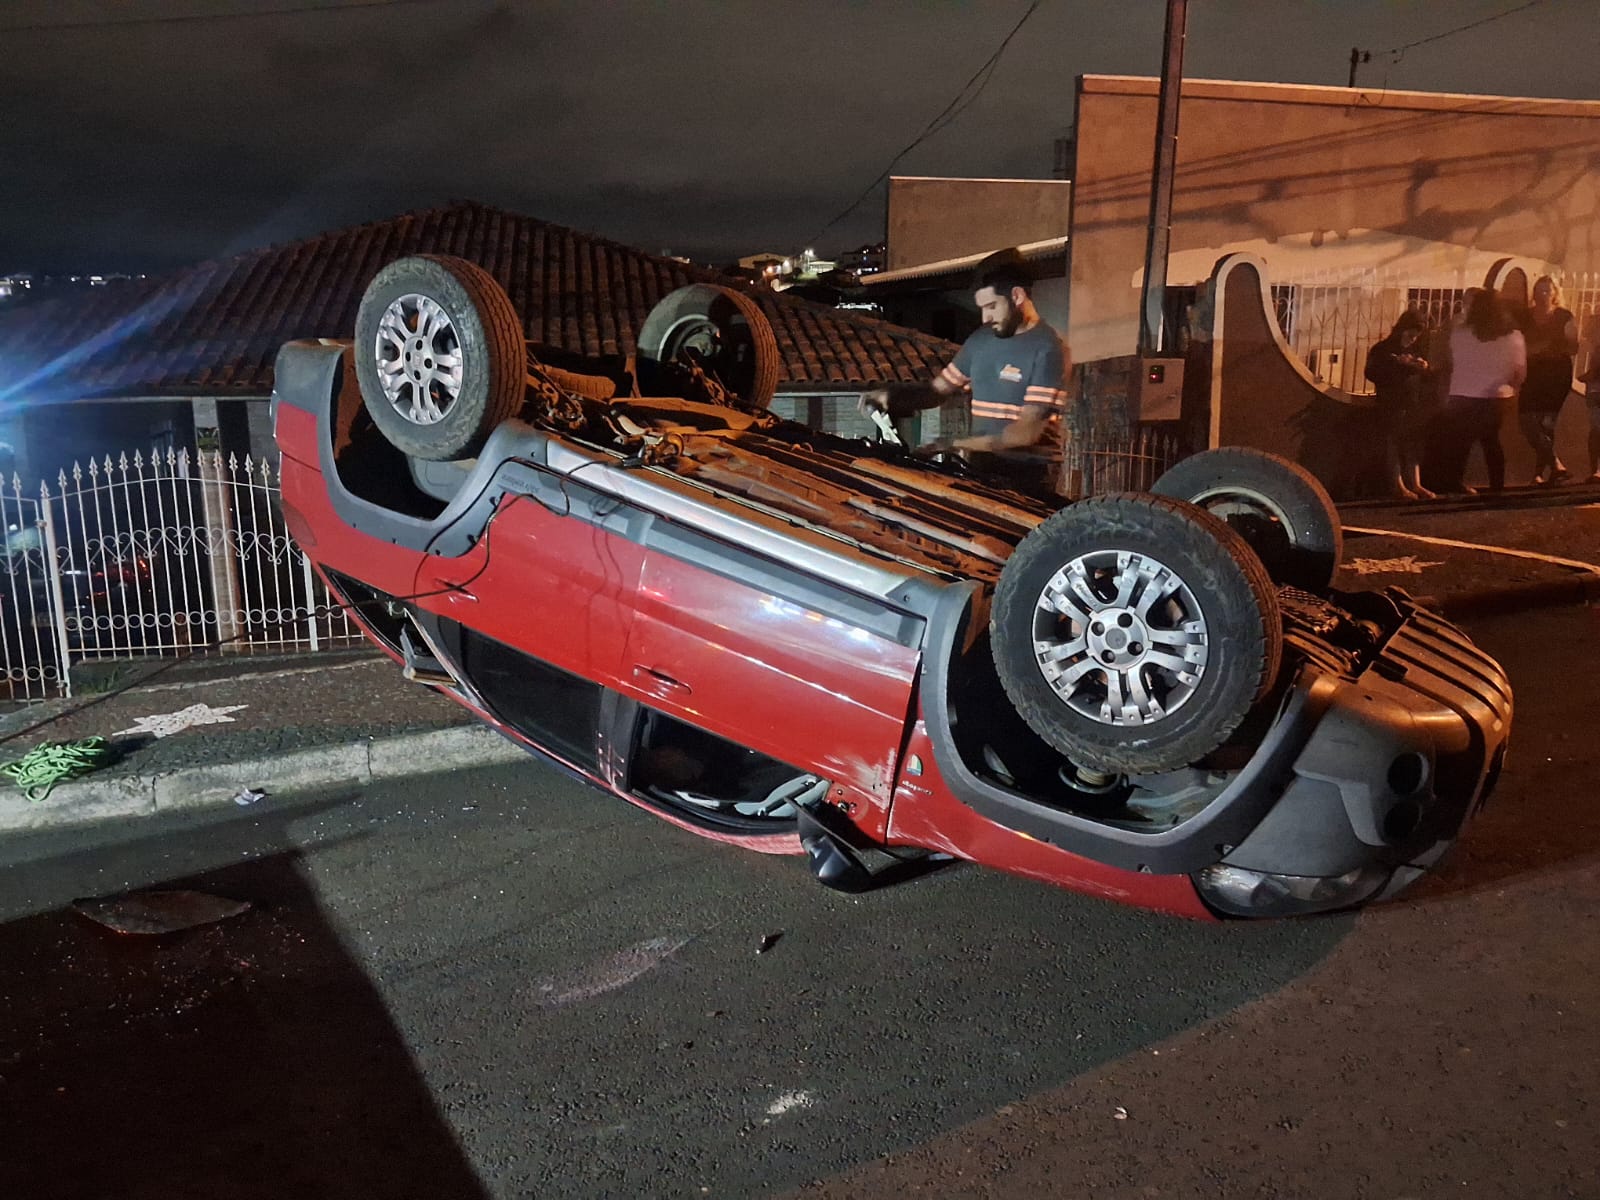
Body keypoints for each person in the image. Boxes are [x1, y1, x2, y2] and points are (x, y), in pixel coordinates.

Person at [859, 248, 1070, 496]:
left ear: (1017, 295)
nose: (985, 317)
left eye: (991, 306)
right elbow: (937, 392)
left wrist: (950, 444)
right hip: (980, 468)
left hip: (1028, 478)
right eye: (981, 308)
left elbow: (1023, 435)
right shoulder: (980, 341)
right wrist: (890, 396)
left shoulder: (1049, 350)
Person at [1439, 289, 1525, 495]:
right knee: (1491, 441)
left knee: (1461, 442)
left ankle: (1455, 481)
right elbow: (1519, 370)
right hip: (1496, 396)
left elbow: (1452, 360)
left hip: (1463, 394)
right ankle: (1497, 486)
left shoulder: (1461, 333)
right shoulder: (1513, 337)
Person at [1363, 309, 1435, 499]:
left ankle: (1416, 484)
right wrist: (1398, 364)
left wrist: (1424, 368)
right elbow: (1371, 373)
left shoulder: (1417, 350)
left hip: (1412, 402)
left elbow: (1429, 377)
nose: (1413, 339)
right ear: (1402, 329)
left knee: (1413, 444)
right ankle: (1399, 486)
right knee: (1393, 444)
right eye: (1411, 334)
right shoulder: (1384, 349)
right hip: (1391, 403)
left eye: (1417, 336)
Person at [1517, 275, 1580, 484]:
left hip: (1556, 374)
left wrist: (1552, 347)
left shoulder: (1563, 316)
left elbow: (1574, 347)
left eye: (1547, 290)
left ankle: (1541, 472)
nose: (1542, 294)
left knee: (1546, 425)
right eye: (1539, 290)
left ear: (1555, 293)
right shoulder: (1525, 316)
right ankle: (1554, 465)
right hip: (1532, 373)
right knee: (1527, 420)